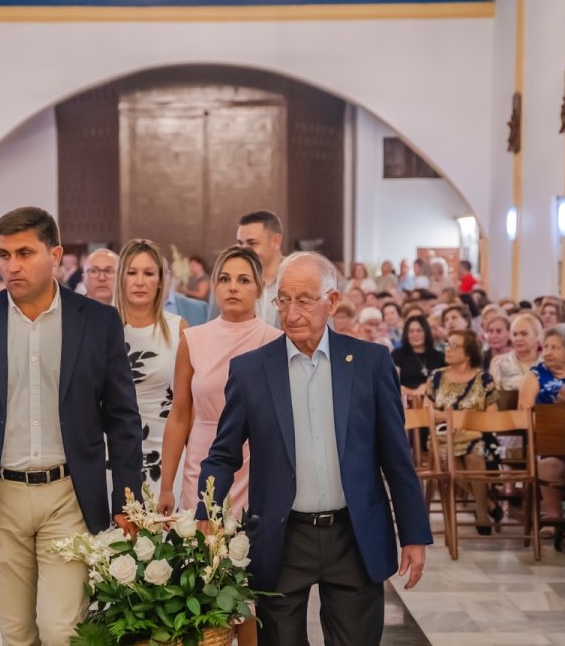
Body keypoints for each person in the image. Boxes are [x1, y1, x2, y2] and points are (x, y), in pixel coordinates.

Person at [0, 207, 142, 646]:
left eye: (25, 252)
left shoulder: (97, 322)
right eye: (3, 254)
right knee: (17, 634)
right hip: (0, 496)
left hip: (68, 494)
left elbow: (122, 418)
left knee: (62, 630)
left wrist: (128, 499)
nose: (12, 265)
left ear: (56, 254)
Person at [196, 252, 430, 646]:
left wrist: (414, 533)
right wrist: (207, 512)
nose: (291, 313)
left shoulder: (371, 363)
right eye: (283, 300)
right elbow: (223, 453)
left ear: (332, 302)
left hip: (353, 534)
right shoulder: (251, 370)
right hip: (282, 536)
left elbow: (396, 457)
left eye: (304, 300)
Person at [158, 246, 282, 520]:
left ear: (260, 288)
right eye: (224, 279)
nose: (233, 287)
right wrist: (167, 486)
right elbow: (178, 414)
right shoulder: (193, 339)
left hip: (255, 460)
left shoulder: (275, 342)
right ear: (214, 286)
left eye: (243, 280)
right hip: (202, 455)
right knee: (200, 550)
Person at [115, 239, 188, 496]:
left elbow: (187, 404)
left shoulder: (178, 328)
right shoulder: (101, 327)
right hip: (112, 453)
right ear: (120, 278)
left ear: (160, 281)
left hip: (166, 454)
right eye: (132, 272)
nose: (139, 281)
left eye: (148, 273)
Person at [427, 329, 501, 534]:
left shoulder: (484, 379)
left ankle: (482, 512)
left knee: (473, 454)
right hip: (442, 435)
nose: (448, 349)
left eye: (453, 345)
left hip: (477, 435)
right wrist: (452, 419)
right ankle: (487, 506)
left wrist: (467, 424)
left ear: (468, 353)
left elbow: (492, 415)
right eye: (447, 344)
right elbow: (428, 410)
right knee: (449, 458)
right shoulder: (436, 377)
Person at [519, 325, 565, 531]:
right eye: (545, 347)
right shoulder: (535, 375)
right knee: (548, 466)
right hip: (548, 443)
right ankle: (554, 519)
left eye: (555, 347)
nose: (548, 352)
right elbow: (524, 413)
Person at [235, 210, 285, 327]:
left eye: (252, 243)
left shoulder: (299, 279)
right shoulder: (230, 282)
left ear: (276, 241)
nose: (244, 250)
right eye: (240, 243)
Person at [393, 315, 445, 398]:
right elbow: (394, 383)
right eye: (411, 331)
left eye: (419, 330)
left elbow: (443, 384)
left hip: (434, 401)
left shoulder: (439, 357)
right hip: (406, 402)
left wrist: (423, 390)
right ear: (406, 334)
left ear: (426, 332)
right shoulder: (397, 354)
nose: (415, 334)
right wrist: (415, 393)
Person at [490, 313, 542, 392]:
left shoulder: (547, 362)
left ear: (538, 335)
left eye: (524, 334)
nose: (518, 338)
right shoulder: (499, 363)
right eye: (515, 334)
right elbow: (493, 396)